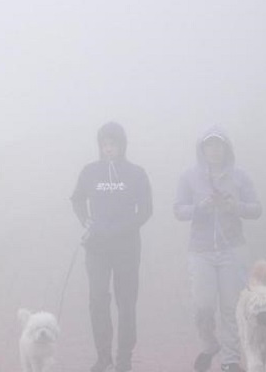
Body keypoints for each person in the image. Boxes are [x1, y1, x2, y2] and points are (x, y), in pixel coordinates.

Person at [174, 127, 262, 372]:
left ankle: (230, 360)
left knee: (231, 307)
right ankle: (209, 344)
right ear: (202, 150)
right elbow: (178, 209)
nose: (214, 150)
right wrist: (200, 207)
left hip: (233, 248)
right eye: (209, 146)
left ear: (227, 149)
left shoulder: (240, 176)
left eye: (219, 145)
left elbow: (256, 209)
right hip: (200, 251)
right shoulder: (189, 176)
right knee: (203, 305)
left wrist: (235, 206)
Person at [70, 121, 153, 372]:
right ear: (99, 146)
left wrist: (124, 228)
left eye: (113, 144)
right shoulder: (90, 171)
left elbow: (146, 210)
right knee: (97, 299)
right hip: (96, 247)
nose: (109, 149)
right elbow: (77, 199)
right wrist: (86, 221)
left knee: (126, 302)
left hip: (127, 247)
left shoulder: (136, 173)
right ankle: (103, 355)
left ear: (122, 145)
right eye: (105, 144)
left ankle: (124, 356)